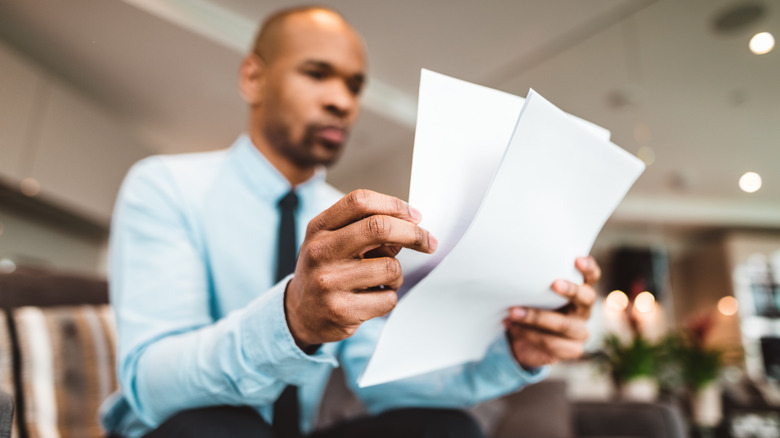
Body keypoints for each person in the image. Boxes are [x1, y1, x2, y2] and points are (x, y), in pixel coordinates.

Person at [100, 6, 600, 438]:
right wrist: (290, 320)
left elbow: (378, 380)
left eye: (355, 84)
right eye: (317, 74)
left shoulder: (357, 222)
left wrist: (513, 354)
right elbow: (151, 381)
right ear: (253, 77)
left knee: (449, 429)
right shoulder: (165, 185)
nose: (342, 100)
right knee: (222, 427)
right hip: (181, 430)